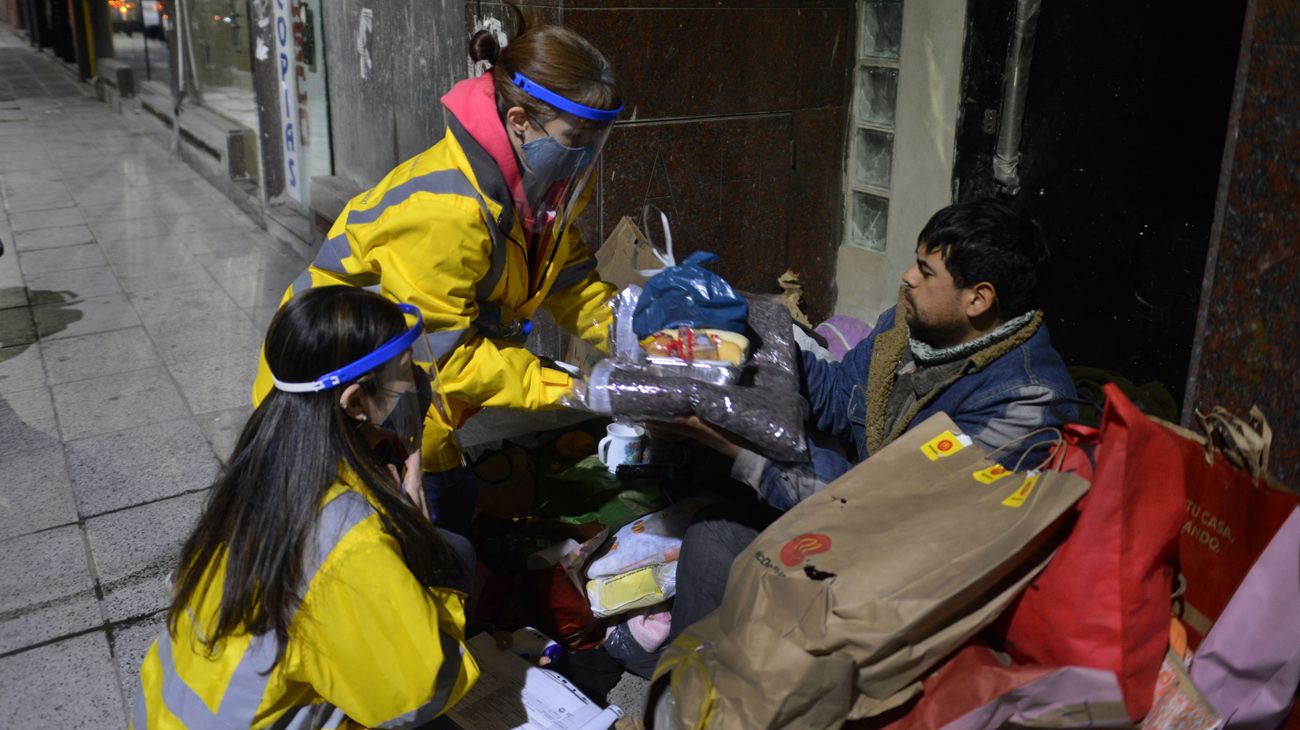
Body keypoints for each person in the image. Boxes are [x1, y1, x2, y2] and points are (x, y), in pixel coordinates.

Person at [638, 199, 1078, 664]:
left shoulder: (1023, 403)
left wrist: (740, 448)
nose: (907, 277)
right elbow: (840, 397)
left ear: (978, 299)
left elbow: (892, 514)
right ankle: (684, 686)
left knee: (748, 553)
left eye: (926, 272)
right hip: (869, 524)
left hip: (919, 574)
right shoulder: (910, 328)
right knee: (714, 534)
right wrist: (741, 350)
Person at [251, 8, 623, 534]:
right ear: (520, 123)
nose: (585, 155)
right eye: (576, 137)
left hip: (407, 394)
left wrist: (632, 330)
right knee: (391, 546)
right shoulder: (447, 209)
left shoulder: (534, 193)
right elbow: (445, 357)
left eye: (596, 139)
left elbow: (568, 280)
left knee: (448, 507)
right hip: (333, 401)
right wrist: (573, 386)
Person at [136, 287, 478, 729]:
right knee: (456, 555)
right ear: (355, 402)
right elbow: (418, 694)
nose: (416, 383)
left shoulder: (270, 460)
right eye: (405, 372)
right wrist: (423, 546)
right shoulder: (346, 538)